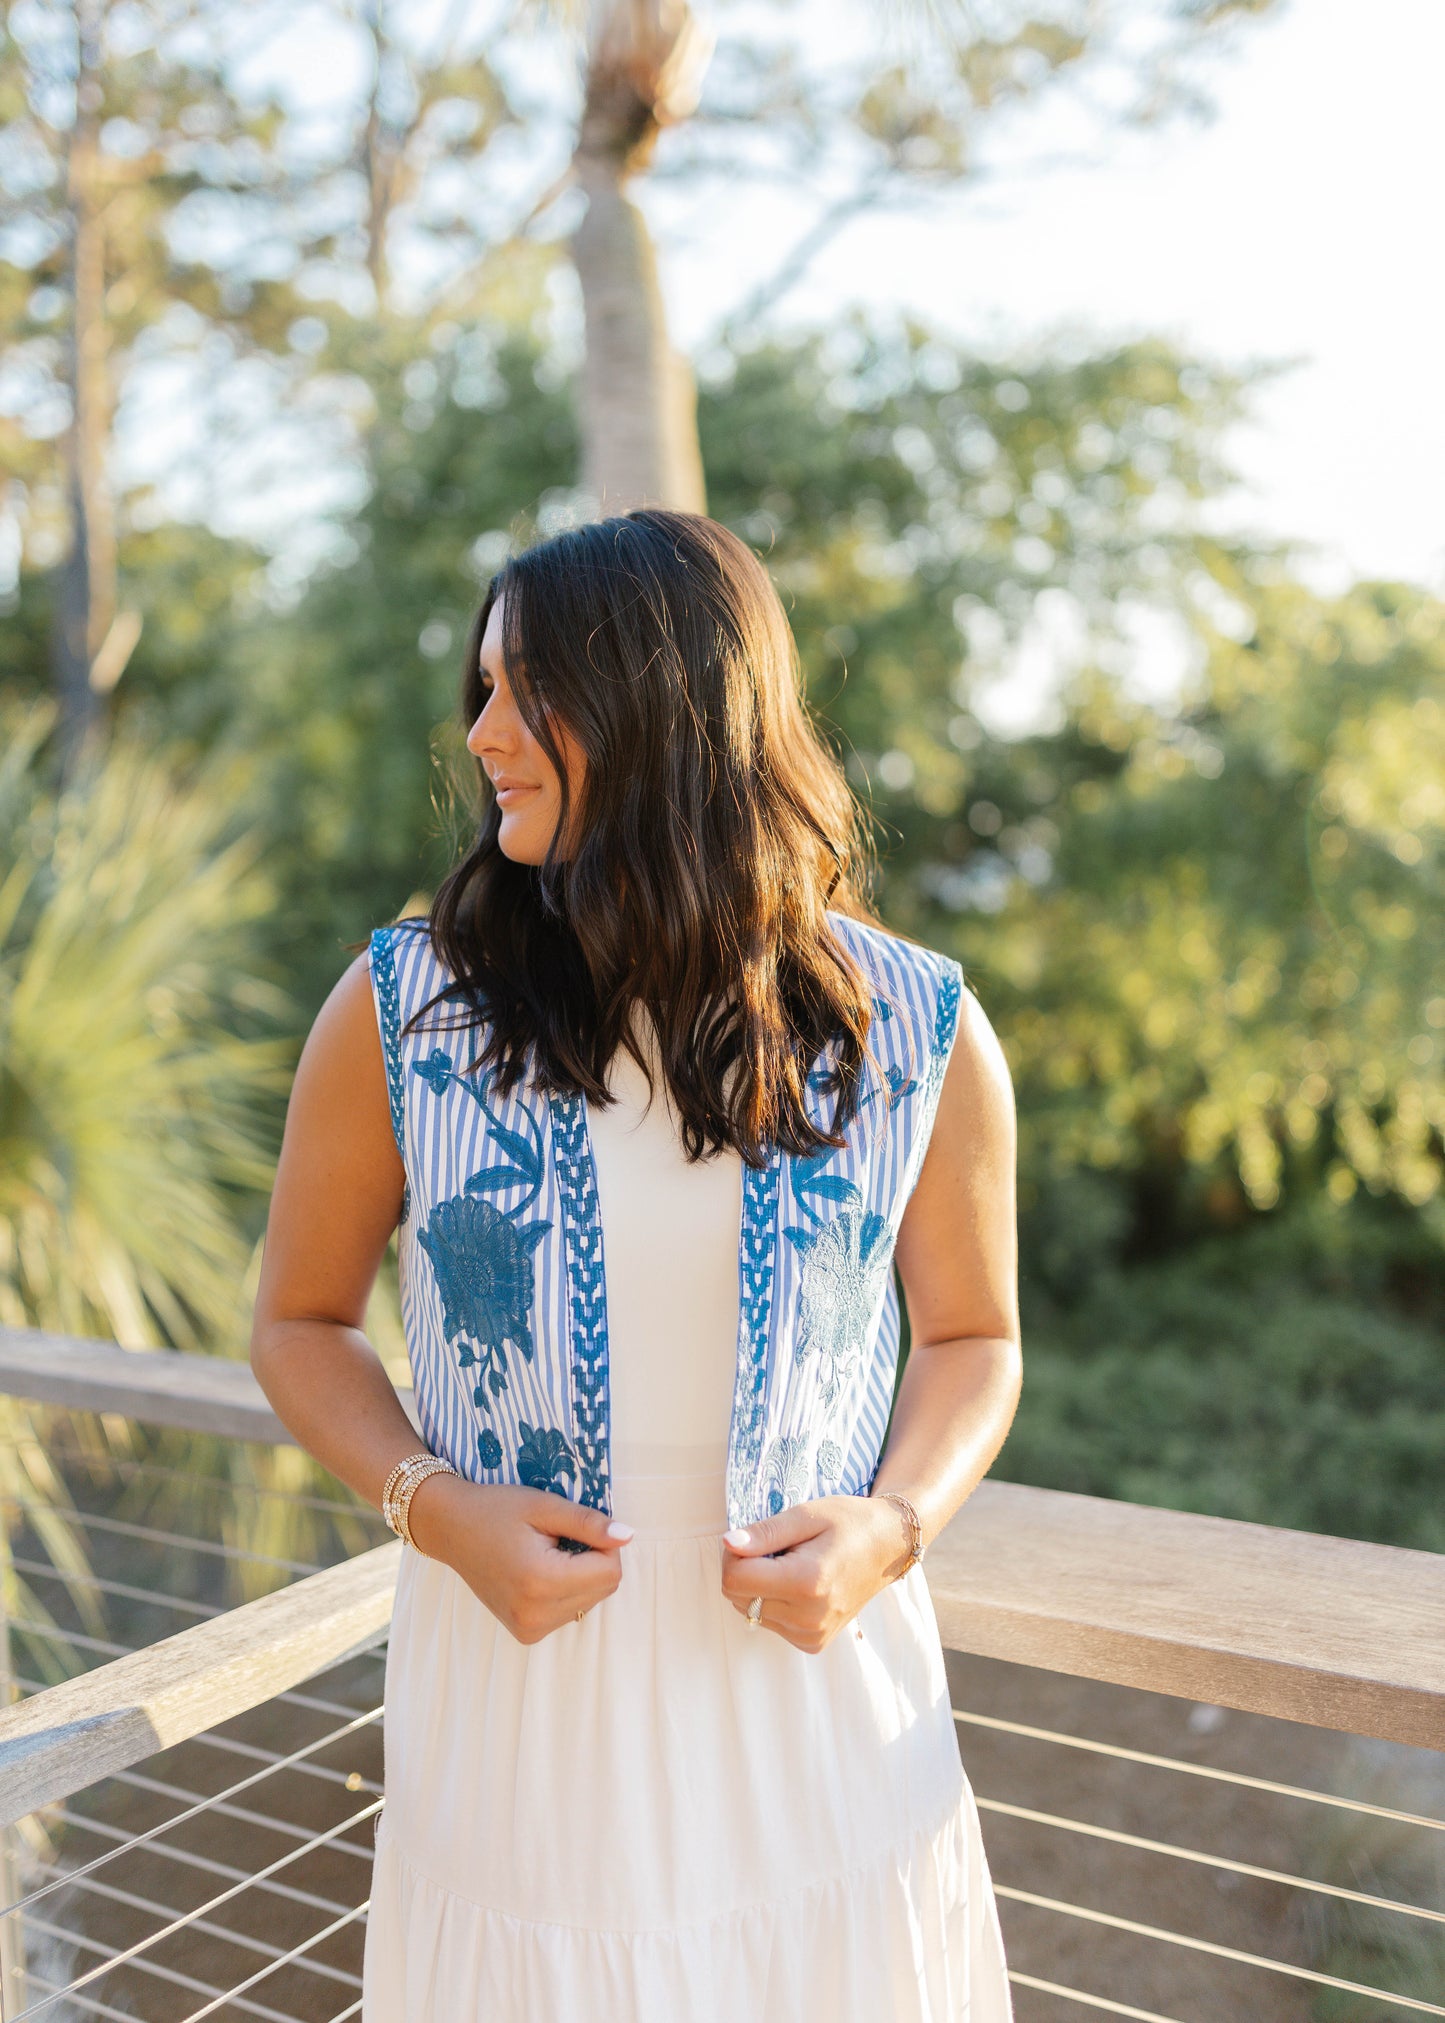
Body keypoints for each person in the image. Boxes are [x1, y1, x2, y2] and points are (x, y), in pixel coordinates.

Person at [250, 507, 1021, 2021]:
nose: (478, 734)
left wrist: (891, 1526)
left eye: (518, 689)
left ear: (661, 702)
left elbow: (973, 1338)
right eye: (475, 689)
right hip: (523, 1712)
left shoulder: (916, 1027)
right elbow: (295, 1321)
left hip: (819, 1709)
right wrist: (436, 1511)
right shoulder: (403, 1014)